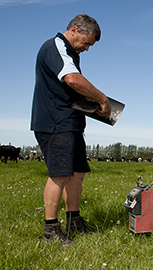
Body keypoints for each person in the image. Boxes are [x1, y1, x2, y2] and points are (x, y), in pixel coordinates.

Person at [31, 14, 111, 246]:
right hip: (55, 121)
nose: (87, 48)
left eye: (90, 45)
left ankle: (73, 220)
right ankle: (50, 230)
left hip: (70, 122)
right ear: (74, 30)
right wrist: (102, 99)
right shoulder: (56, 47)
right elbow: (73, 80)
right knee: (60, 173)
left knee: (76, 172)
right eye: (86, 42)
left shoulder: (70, 52)